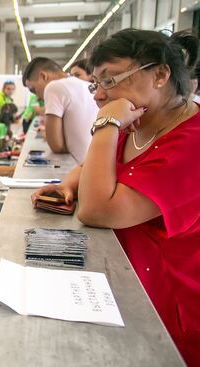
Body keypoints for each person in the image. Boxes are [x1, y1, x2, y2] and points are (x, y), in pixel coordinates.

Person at [31, 29, 200, 366]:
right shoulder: (140, 123)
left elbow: (97, 210)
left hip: (168, 307)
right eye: (96, 83)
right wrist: (68, 184)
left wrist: (106, 123)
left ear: (160, 75)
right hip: (128, 285)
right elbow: (93, 166)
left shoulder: (190, 143)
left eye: (110, 80)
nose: (98, 95)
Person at [23, 57, 99, 163]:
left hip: (79, 167)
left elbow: (57, 146)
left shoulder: (53, 87)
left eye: (34, 90)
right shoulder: (87, 86)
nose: (37, 97)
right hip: (94, 163)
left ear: (43, 76)